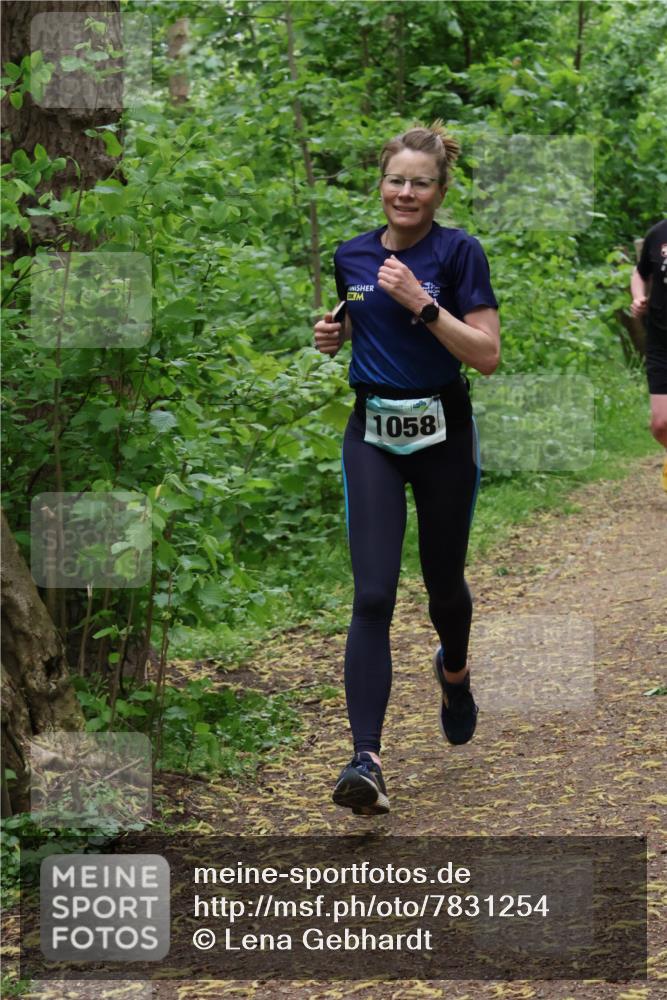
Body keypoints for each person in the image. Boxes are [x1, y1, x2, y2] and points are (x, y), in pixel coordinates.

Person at [313, 121, 500, 816]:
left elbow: (484, 354)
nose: (406, 192)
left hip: (444, 434)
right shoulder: (351, 255)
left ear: (438, 190)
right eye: (396, 179)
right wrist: (333, 333)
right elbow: (360, 320)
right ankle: (365, 759)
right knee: (371, 595)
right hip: (372, 433)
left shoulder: (459, 253)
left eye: (420, 183)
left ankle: (453, 669)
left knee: (442, 582)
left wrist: (422, 303)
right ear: (380, 184)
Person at [630, 218, 667, 492]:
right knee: (660, 424)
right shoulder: (658, 234)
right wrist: (638, 297)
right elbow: (640, 272)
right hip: (660, 341)